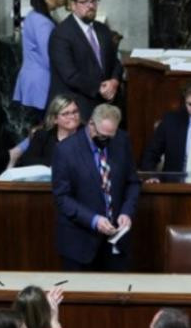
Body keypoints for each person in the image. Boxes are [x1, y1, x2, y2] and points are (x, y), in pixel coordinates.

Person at [51, 102, 140, 271]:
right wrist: (94, 220)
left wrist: (126, 212)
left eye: (110, 136)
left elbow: (132, 182)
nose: (106, 141)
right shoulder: (65, 150)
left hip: (116, 242)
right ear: (91, 124)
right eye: (102, 136)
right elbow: (62, 197)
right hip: (79, 242)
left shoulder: (121, 141)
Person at [47, 0, 122, 121]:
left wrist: (114, 81)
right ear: (73, 5)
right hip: (76, 107)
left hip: (106, 106)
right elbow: (70, 75)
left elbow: (115, 62)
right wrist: (99, 88)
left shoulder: (103, 29)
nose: (91, 6)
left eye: (94, 1)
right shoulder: (61, 34)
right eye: (85, 2)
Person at [12, 0, 64, 129]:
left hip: (33, 78)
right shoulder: (43, 22)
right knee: (46, 126)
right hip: (42, 81)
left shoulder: (33, 16)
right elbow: (49, 55)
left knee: (41, 124)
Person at [2, 94, 80, 172]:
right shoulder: (43, 135)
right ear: (55, 119)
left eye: (75, 112)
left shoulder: (87, 136)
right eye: (66, 114)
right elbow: (27, 160)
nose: (72, 116)